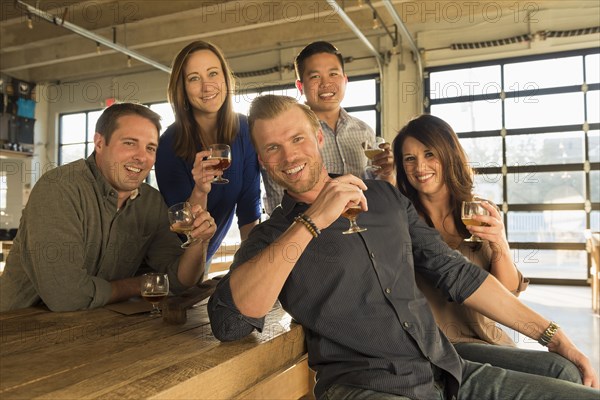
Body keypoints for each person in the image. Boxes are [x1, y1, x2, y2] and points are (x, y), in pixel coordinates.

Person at [208, 95, 599, 400]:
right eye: (272, 148)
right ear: (261, 160)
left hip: (444, 368)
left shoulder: (385, 198)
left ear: (318, 138)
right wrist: (312, 221)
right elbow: (231, 322)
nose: (289, 155)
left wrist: (552, 335)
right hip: (367, 386)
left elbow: (457, 273)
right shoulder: (270, 237)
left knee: (572, 379)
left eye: (296, 139)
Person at [392, 114, 582, 382]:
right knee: (559, 373)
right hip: (443, 345)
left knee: (564, 370)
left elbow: (507, 294)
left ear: (449, 155)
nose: (420, 166)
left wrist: (500, 244)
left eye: (429, 154)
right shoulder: (402, 221)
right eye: (409, 158)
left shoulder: (477, 211)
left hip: (489, 339)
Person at [0, 103, 215, 312]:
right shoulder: (58, 189)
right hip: (17, 331)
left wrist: (199, 241)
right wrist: (139, 284)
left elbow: (177, 281)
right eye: (130, 143)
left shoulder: (151, 202)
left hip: (94, 332)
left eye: (150, 148)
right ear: (100, 143)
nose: (142, 157)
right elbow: (66, 297)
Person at [155, 40, 261, 273]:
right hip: (170, 263)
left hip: (204, 259)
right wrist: (200, 190)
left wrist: (253, 269)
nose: (207, 86)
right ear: (182, 88)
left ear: (225, 77)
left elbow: (249, 211)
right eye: (194, 78)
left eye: (213, 73)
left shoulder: (245, 129)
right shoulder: (168, 145)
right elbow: (185, 230)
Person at [261, 41, 395, 214]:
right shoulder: (287, 136)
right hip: (311, 232)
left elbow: (372, 188)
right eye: (315, 76)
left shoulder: (364, 131)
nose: (326, 83)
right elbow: (279, 205)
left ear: (345, 80)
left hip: (362, 228)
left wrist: (386, 173)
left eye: (333, 74)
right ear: (300, 86)